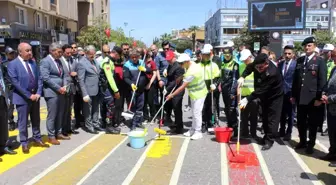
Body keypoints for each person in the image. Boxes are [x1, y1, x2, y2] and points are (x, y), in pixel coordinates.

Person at [8, 43, 49, 153]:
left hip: (35, 97)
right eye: (27, 51)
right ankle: (24, 142)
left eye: (30, 50)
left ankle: (37, 138)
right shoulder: (13, 64)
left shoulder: (33, 63)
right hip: (22, 98)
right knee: (23, 122)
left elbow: (39, 78)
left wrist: (38, 93)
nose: (30, 52)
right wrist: (28, 95)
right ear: (20, 52)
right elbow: (15, 83)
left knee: (36, 119)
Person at [238, 53, 284, 150]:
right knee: (265, 117)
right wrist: (243, 77)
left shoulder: (272, 73)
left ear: (266, 63)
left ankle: (269, 141)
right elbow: (249, 68)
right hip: (264, 95)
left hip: (274, 97)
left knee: (272, 119)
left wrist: (247, 99)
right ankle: (265, 137)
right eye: (257, 67)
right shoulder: (256, 64)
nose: (258, 69)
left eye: (261, 67)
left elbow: (262, 90)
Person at [291, 36, 327, 154]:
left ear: (314, 46)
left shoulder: (320, 61)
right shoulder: (300, 60)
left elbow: (322, 81)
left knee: (312, 123)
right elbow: (296, 80)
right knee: (301, 122)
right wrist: (293, 95)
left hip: (313, 99)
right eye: (305, 46)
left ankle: (311, 144)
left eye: (309, 45)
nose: (307, 48)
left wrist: (319, 98)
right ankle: (302, 141)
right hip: (301, 97)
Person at [166, 53, 208, 140]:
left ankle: (198, 131)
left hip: (199, 93)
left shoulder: (192, 71)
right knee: (194, 112)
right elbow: (185, 74)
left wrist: (171, 95)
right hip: (194, 93)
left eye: (181, 63)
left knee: (197, 113)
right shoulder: (191, 65)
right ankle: (193, 129)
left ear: (187, 61)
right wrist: (181, 77)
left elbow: (182, 87)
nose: (180, 65)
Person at [40, 43, 70, 144]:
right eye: (59, 52)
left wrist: (65, 86)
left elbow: (65, 75)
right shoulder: (45, 61)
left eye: (61, 52)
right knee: (52, 115)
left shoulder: (59, 61)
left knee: (60, 113)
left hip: (61, 91)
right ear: (52, 51)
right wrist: (58, 88)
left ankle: (59, 132)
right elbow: (46, 78)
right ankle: (51, 135)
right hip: (51, 92)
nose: (60, 54)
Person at [78, 45, 105, 134]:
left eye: (94, 54)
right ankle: (89, 126)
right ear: (86, 53)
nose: (93, 56)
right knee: (88, 110)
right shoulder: (82, 63)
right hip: (88, 90)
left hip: (96, 89)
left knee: (96, 108)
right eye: (91, 54)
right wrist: (84, 93)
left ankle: (96, 124)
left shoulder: (95, 61)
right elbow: (81, 80)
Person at [123, 49, 151, 130]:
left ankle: (138, 122)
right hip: (132, 90)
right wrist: (131, 84)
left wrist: (145, 69)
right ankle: (133, 124)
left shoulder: (142, 62)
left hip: (141, 90)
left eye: (136, 57)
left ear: (139, 57)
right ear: (130, 57)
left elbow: (150, 71)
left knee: (140, 107)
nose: (134, 59)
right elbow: (126, 77)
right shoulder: (127, 65)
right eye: (132, 57)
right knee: (133, 107)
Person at [99, 46, 122, 134]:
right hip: (106, 87)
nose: (118, 58)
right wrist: (116, 90)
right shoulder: (107, 62)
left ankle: (106, 124)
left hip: (107, 87)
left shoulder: (110, 61)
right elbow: (110, 78)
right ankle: (109, 127)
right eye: (118, 56)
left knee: (107, 106)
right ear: (116, 53)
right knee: (110, 106)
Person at [238, 49, 258, 139]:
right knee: (244, 116)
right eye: (243, 60)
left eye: (246, 59)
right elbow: (239, 83)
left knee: (253, 116)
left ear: (250, 57)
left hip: (254, 95)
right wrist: (239, 98)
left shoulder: (257, 66)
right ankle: (244, 132)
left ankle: (253, 133)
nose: (244, 61)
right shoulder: (241, 66)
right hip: (243, 95)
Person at [200, 44, 220, 132]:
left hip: (211, 88)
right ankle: (203, 123)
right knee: (203, 107)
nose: (205, 56)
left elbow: (219, 77)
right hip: (202, 88)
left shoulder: (214, 65)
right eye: (204, 54)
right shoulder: (199, 65)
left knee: (211, 106)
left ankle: (210, 123)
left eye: (207, 54)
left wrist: (215, 84)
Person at [278, 45, 297, 141]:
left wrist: (294, 95)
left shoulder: (296, 64)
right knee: (281, 113)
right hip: (281, 93)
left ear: (293, 54)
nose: (287, 55)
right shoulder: (280, 64)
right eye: (285, 53)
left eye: (289, 53)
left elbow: (296, 81)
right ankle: (281, 130)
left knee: (291, 114)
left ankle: (288, 132)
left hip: (291, 93)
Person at [321, 47, 336, 163]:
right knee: (332, 132)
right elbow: (329, 84)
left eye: (335, 56)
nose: (332, 58)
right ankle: (332, 152)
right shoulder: (334, 69)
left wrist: (329, 98)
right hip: (331, 107)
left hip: (333, 103)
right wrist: (324, 93)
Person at [60, 44, 79, 136]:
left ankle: (68, 128)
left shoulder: (73, 60)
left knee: (69, 109)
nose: (69, 54)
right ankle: (62, 129)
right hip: (63, 88)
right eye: (67, 53)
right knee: (63, 110)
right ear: (63, 52)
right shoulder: (59, 61)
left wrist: (76, 73)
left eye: (70, 53)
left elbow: (78, 70)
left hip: (72, 88)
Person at [220, 47, 239, 136]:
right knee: (227, 109)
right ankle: (229, 126)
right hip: (224, 90)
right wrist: (219, 85)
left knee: (232, 110)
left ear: (231, 54)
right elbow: (221, 77)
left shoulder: (235, 64)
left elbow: (235, 79)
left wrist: (232, 92)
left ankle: (235, 130)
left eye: (228, 54)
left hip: (231, 91)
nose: (227, 56)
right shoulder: (223, 63)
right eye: (225, 54)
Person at [165, 50, 185, 134]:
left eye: (170, 59)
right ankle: (176, 124)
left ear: (174, 57)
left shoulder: (179, 67)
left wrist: (167, 89)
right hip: (171, 89)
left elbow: (175, 82)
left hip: (177, 90)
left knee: (177, 108)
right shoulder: (170, 65)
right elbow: (169, 78)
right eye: (167, 59)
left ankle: (179, 127)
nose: (168, 60)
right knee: (171, 107)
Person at [1, 47, 17, 131]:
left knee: (21, 105)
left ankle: (21, 121)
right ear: (7, 55)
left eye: (13, 53)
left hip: (18, 87)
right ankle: (11, 122)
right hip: (9, 87)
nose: (12, 54)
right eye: (10, 53)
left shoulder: (18, 62)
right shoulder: (4, 64)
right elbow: (2, 77)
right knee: (10, 106)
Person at [71, 42, 84, 129]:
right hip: (73, 85)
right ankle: (77, 122)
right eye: (72, 48)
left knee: (83, 104)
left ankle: (83, 120)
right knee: (75, 105)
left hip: (82, 85)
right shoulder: (68, 59)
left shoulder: (82, 58)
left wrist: (78, 74)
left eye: (75, 47)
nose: (74, 49)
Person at [143, 51, 157, 124]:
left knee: (150, 101)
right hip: (143, 83)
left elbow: (154, 74)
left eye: (148, 56)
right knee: (144, 102)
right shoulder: (142, 62)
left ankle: (152, 116)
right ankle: (145, 117)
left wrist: (149, 84)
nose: (149, 58)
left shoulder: (152, 63)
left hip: (150, 83)